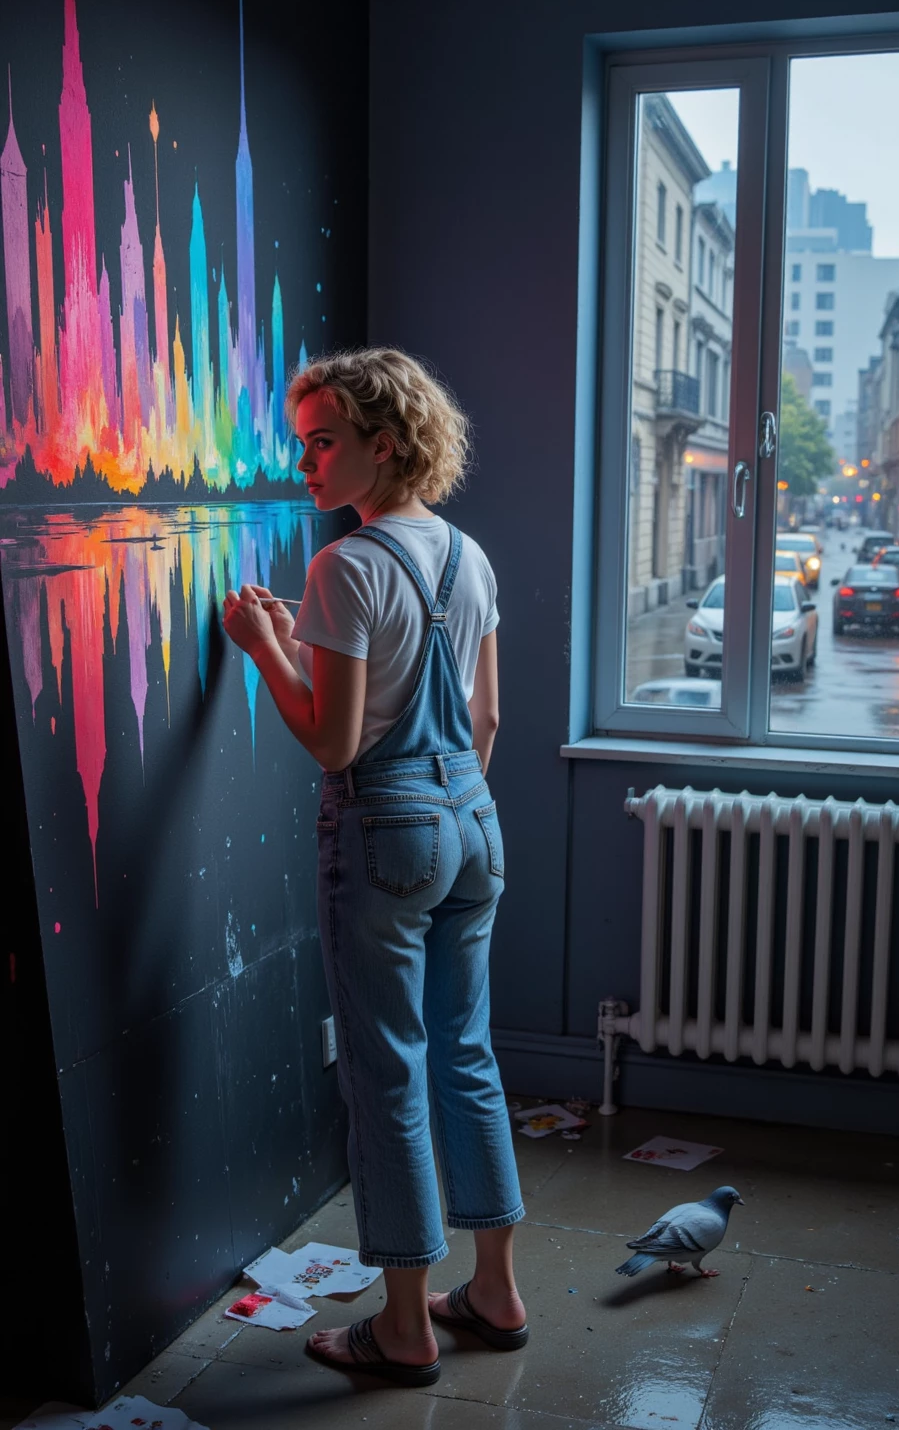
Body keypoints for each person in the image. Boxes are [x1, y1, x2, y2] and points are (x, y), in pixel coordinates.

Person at [221, 347, 526, 1388]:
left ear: (380, 445)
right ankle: (493, 1289)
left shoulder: (343, 567)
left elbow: (334, 743)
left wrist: (263, 645)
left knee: (386, 1071)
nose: (303, 462)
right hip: (472, 820)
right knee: (467, 1054)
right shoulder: (466, 555)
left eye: (321, 442)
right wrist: (450, 802)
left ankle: (402, 1327)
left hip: (388, 829)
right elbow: (486, 715)